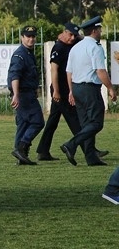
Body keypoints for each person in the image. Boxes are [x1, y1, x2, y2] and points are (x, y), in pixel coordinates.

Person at [60, 16, 116, 167]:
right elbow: (100, 71)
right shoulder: (95, 47)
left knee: (86, 125)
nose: (100, 32)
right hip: (89, 89)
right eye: (99, 30)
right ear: (94, 31)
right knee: (96, 123)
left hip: (77, 87)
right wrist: (110, 88)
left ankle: (91, 158)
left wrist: (71, 91)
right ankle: (71, 144)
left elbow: (69, 72)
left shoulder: (75, 48)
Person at [35, 23, 82, 160]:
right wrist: (56, 91)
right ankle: (90, 150)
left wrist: (77, 36)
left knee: (52, 122)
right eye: (70, 34)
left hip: (66, 89)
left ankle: (43, 151)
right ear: (64, 32)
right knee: (74, 121)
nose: (72, 38)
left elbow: (83, 38)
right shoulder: (59, 47)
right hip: (61, 90)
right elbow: (54, 70)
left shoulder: (72, 43)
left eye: (74, 35)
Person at [7, 25, 45, 165]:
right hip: (23, 95)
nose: (31, 39)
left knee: (23, 125)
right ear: (22, 37)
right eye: (28, 36)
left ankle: (21, 157)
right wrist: (16, 94)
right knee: (38, 122)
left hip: (26, 93)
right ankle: (21, 148)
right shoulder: (20, 55)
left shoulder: (28, 53)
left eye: (33, 36)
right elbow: (15, 76)